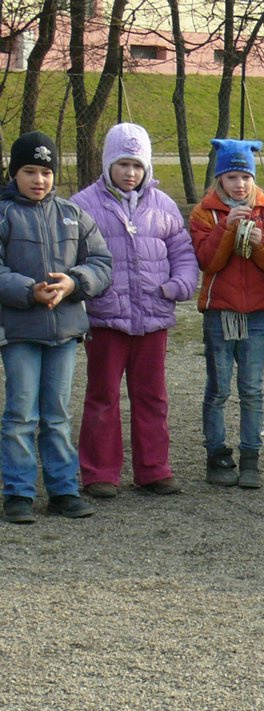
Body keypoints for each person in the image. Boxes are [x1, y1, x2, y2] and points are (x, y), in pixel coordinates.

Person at [71, 122, 199, 499]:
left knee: (152, 396)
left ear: (147, 168)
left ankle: (154, 469)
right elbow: (73, 257)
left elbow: (183, 253)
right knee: (102, 395)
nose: (130, 173)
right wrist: (88, 289)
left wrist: (178, 286)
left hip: (152, 316)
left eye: (138, 165)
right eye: (123, 164)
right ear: (108, 163)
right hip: (105, 317)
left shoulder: (164, 206)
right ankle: (99, 473)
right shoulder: (82, 206)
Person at [0, 131, 114, 524]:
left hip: (64, 331)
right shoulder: (3, 214)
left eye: (46, 172)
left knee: (57, 414)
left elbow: (101, 262)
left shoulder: (74, 215)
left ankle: (63, 490)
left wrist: (73, 282)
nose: (39, 180)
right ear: (14, 173)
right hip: (18, 332)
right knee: (20, 414)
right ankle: (17, 493)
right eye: (29, 171)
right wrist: (29, 291)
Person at [190, 138, 264, 489]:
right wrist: (228, 226)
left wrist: (261, 242)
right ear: (219, 179)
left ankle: (251, 458)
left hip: (257, 314)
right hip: (220, 313)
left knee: (252, 389)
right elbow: (209, 263)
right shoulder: (204, 213)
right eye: (232, 176)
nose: (240, 184)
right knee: (218, 389)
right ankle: (217, 454)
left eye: (245, 176)